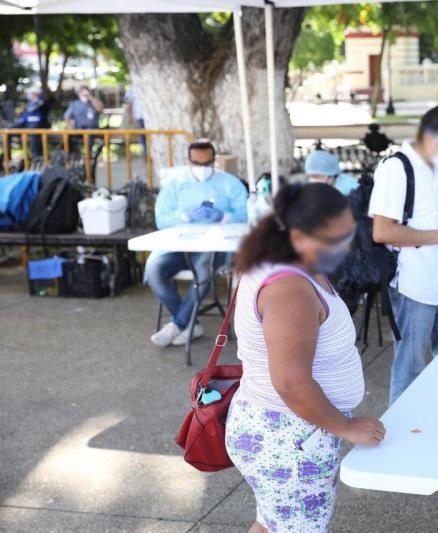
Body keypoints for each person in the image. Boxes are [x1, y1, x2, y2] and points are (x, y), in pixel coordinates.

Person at [226, 182, 384, 533]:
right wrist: (346, 427)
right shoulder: (290, 289)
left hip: (281, 431)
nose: (345, 246)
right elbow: (291, 382)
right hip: (288, 439)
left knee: (271, 523)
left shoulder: (289, 260)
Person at [369, 105, 438, 404]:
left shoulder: (430, 170)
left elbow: (423, 223)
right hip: (412, 285)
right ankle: (399, 437)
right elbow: (382, 231)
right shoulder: (397, 168)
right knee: (411, 367)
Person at [146, 140, 247, 347]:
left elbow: (245, 216)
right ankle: (190, 323)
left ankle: (178, 324)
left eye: (207, 163)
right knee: (154, 270)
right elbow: (161, 219)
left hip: (214, 247)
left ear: (214, 161)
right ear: (188, 161)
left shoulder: (230, 183)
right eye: (197, 164)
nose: (202, 168)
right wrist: (183, 215)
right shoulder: (175, 185)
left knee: (203, 269)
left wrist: (224, 217)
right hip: (178, 246)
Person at [64, 85, 104, 153]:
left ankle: (88, 156)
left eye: (84, 91)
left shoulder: (94, 101)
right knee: (66, 136)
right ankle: (72, 155)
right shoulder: (75, 104)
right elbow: (67, 116)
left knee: (88, 136)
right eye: (80, 91)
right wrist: (70, 127)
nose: (83, 93)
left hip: (92, 129)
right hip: (78, 129)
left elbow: (100, 109)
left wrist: (90, 97)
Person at [13, 87, 50, 158]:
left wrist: (24, 109)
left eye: (32, 93)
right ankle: (6, 155)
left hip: (37, 124)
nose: (30, 94)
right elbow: (24, 114)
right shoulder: (29, 102)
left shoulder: (42, 101)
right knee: (9, 129)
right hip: (25, 123)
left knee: (33, 131)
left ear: (36, 93)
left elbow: (31, 109)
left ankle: (36, 155)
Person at [124, 84, 146, 157]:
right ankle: (146, 154)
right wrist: (130, 117)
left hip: (145, 116)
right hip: (139, 116)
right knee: (142, 136)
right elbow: (129, 103)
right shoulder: (132, 87)